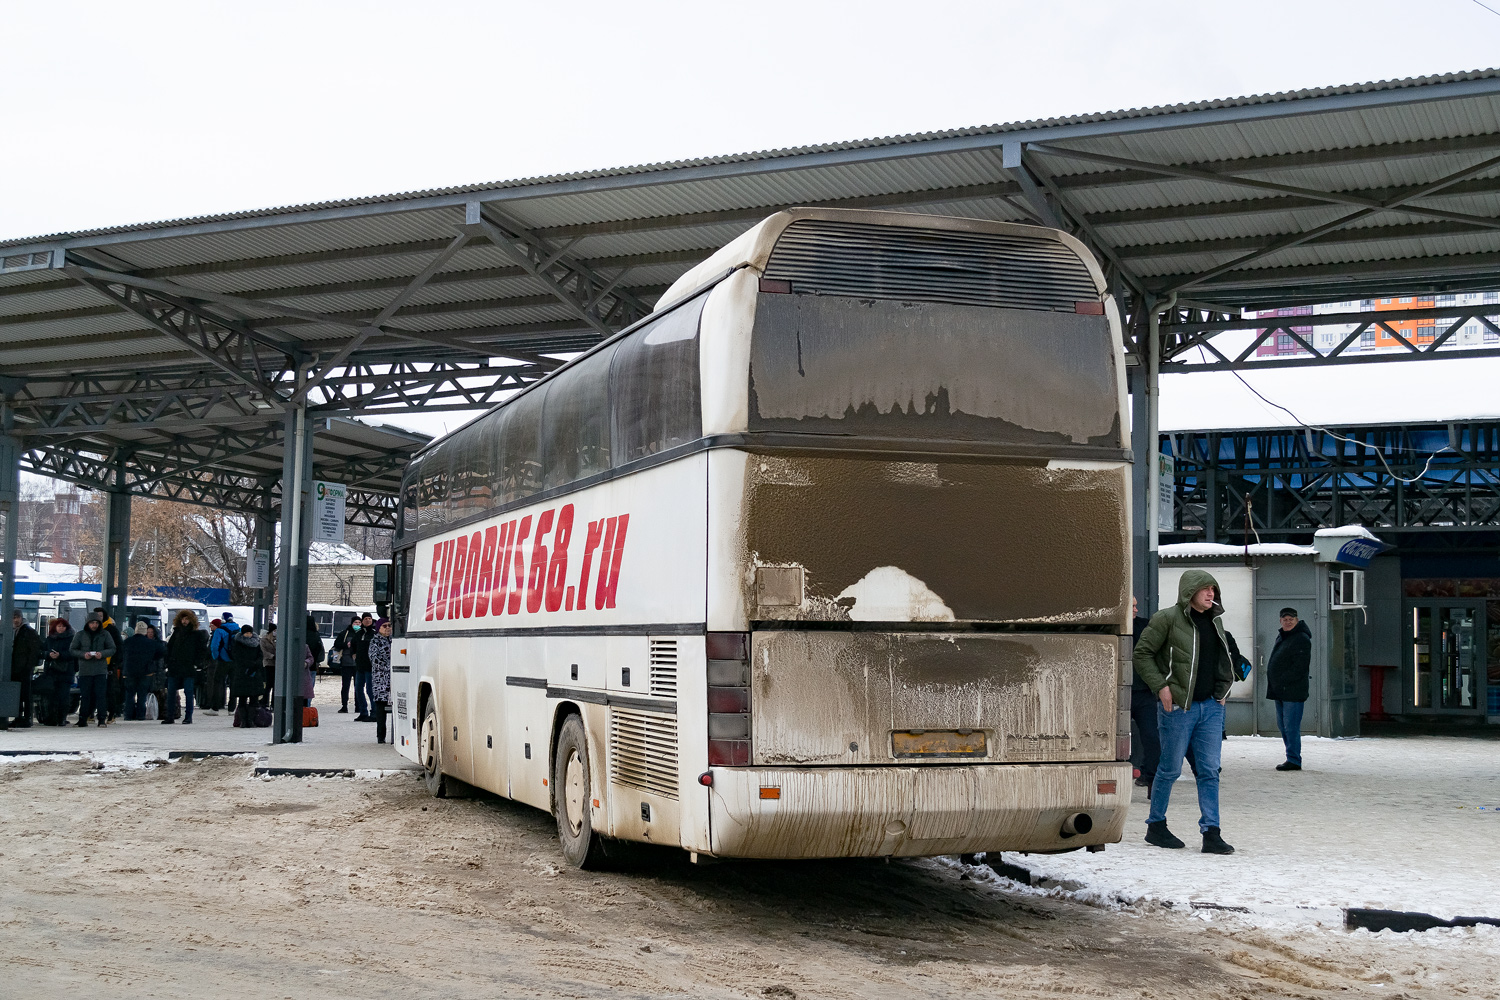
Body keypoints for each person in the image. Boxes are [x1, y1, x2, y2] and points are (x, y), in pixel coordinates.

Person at [1133, 569, 1236, 855]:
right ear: (1189, 592)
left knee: (1209, 771)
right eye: (1205, 589)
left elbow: (1221, 660)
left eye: (1213, 589)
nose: (1210, 594)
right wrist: (1161, 688)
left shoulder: (1215, 621)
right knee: (1169, 769)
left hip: (1211, 708)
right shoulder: (1167, 618)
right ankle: (1156, 826)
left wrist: (1222, 693)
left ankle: (1211, 833)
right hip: (1178, 707)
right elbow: (1142, 654)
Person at [1265, 606, 1313, 772]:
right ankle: (1291, 757)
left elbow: (1300, 667)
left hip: (1292, 691)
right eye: (1285, 619)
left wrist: (1283, 680)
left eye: (1291, 619)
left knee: (1290, 726)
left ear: (1297, 620)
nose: (1288, 621)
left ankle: (1294, 759)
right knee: (1283, 725)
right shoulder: (1283, 636)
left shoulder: (1301, 638)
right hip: (1281, 690)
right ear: (1280, 621)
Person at [1127, 597, 1158, 789]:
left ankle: (1152, 777)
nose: (1136, 609)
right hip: (1116, 693)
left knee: (1152, 735)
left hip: (1143, 692)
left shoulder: (1146, 627)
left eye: (1136, 605)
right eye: (1132, 606)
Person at [163, 610, 209, 725]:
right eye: (183, 619)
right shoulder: (176, 633)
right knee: (171, 692)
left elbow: (201, 651)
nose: (184, 621)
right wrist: (168, 662)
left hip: (188, 667)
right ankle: (170, 716)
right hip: (175, 666)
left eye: (187, 619)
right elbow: (169, 648)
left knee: (188, 692)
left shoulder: (196, 635)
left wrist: (197, 664)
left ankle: (188, 716)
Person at [71, 616, 116, 727]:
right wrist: (83, 654)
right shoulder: (80, 635)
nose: (94, 625)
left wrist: (102, 654)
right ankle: (83, 718)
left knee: (100, 695)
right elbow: (72, 649)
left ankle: (101, 719)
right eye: (92, 623)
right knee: (85, 695)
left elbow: (112, 648)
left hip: (100, 669)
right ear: (87, 623)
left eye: (96, 623)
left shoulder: (105, 634)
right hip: (85, 670)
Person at [120, 621, 162, 720]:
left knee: (129, 695)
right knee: (142, 695)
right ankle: (140, 715)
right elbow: (162, 652)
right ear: (145, 631)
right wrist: (152, 658)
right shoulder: (151, 642)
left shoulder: (127, 641)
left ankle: (128, 715)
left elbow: (121, 654)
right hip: (146, 672)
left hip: (129, 672)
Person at [8, 611, 42, 729]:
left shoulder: (28, 632)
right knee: (18, 694)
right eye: (13, 617)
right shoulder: (11, 631)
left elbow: (34, 651)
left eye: (17, 617)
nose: (15, 620)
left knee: (25, 694)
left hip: (23, 668)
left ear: (22, 618)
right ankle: (18, 716)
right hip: (14, 668)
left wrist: (29, 666)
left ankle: (26, 717)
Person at [39, 618, 76, 726]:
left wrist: (60, 655)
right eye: (59, 626)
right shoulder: (49, 639)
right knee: (51, 696)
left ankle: (61, 718)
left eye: (63, 626)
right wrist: (48, 654)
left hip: (66, 671)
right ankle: (51, 718)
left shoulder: (71, 639)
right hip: (51, 671)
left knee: (63, 696)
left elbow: (73, 653)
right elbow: (42, 651)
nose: (61, 628)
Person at [94, 607, 124, 722]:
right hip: (94, 664)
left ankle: (111, 713)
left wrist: (115, 661)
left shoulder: (111, 629)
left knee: (110, 690)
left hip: (109, 664)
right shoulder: (90, 630)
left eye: (100, 616)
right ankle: (92, 713)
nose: (98, 619)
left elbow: (119, 647)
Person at [230, 624, 263, 727]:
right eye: (247, 633)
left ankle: (251, 720)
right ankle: (244, 721)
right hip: (243, 673)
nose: (249, 635)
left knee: (254, 698)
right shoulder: (237, 643)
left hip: (253, 673)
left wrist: (255, 665)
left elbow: (260, 656)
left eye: (250, 633)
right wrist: (250, 666)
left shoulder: (257, 644)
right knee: (242, 698)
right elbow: (237, 657)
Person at [206, 613, 237, 716]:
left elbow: (214, 646)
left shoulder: (220, 630)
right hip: (234, 661)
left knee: (217, 683)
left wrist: (216, 657)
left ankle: (215, 708)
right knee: (233, 684)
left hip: (223, 661)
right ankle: (232, 709)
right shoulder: (238, 629)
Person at [334, 616, 364, 715]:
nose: (357, 625)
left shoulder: (363, 633)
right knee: (345, 686)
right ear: (352, 623)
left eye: (359, 623)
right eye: (355, 622)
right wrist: (346, 645)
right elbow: (337, 644)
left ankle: (358, 706)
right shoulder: (345, 633)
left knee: (358, 686)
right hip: (346, 663)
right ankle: (344, 706)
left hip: (358, 664)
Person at [369, 617, 393, 744]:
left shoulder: (394, 640)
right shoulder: (375, 641)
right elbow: (375, 660)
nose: (388, 628)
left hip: (394, 681)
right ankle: (381, 736)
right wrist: (390, 668)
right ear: (379, 628)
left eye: (389, 625)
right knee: (381, 710)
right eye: (385, 626)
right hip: (381, 682)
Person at [354, 612, 375, 721]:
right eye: (366, 619)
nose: (368, 620)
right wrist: (354, 654)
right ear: (362, 621)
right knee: (358, 688)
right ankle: (363, 712)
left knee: (370, 690)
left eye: (369, 618)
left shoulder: (375, 633)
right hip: (360, 666)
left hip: (371, 666)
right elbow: (353, 644)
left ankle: (374, 712)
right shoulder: (359, 633)